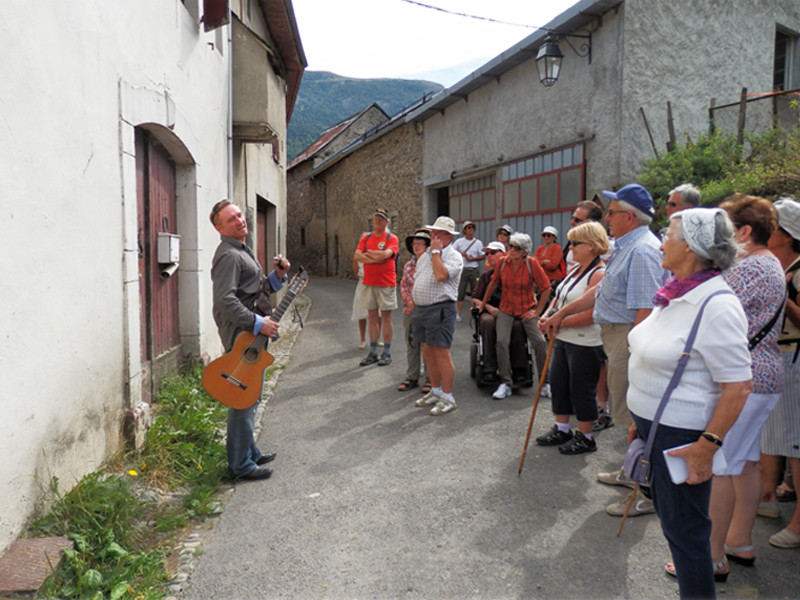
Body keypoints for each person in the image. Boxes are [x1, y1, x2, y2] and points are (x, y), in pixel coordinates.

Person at [628, 208, 752, 598]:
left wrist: (706, 446)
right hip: (655, 426)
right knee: (675, 525)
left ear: (691, 247)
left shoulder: (716, 303)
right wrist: (640, 417)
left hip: (683, 434)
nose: (662, 241)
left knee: (687, 533)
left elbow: (739, 386)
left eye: (670, 235)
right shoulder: (677, 292)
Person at [544, 183, 666, 517]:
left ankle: (648, 489)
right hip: (615, 335)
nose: (606, 218)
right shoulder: (625, 247)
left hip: (628, 337)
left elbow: (645, 308)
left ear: (629, 217)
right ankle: (632, 471)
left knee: (636, 414)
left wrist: (634, 349)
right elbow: (599, 295)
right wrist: (560, 313)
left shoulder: (642, 250)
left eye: (611, 213)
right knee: (628, 412)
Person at [703, 195, 785, 570]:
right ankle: (738, 541)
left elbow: (710, 312)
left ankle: (712, 554)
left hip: (744, 378)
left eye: (725, 227)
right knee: (744, 463)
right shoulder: (768, 264)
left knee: (719, 463)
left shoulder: (749, 268)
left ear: (745, 232)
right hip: (764, 374)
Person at [209, 199, 290, 481]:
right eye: (231, 219)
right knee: (243, 397)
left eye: (240, 215)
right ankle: (240, 465)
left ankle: (249, 451)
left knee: (252, 395)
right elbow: (224, 300)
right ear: (219, 227)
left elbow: (256, 291)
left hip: (252, 333)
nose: (240, 221)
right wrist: (258, 322)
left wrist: (278, 275)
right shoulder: (229, 255)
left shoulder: (241, 249)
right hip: (241, 334)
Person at [536, 222, 608, 454]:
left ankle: (586, 436)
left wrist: (557, 322)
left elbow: (592, 313)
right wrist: (547, 316)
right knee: (559, 383)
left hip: (585, 341)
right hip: (563, 338)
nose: (571, 248)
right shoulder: (576, 270)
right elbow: (559, 299)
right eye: (571, 243)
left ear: (592, 245)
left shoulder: (599, 273)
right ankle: (562, 427)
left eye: (576, 243)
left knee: (582, 388)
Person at [760, 197, 800, 549]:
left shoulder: (798, 271)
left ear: (786, 235)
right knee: (773, 436)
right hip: (778, 356)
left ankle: (799, 524)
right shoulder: (778, 266)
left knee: (795, 443)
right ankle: (767, 495)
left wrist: (782, 296)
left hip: (794, 358)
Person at [478, 232, 552, 400]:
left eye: (516, 248)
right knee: (501, 342)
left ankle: (545, 382)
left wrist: (537, 312)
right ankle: (506, 382)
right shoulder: (503, 263)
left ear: (524, 251)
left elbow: (546, 287)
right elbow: (494, 282)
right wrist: (483, 304)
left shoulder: (531, 264)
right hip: (506, 309)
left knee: (540, 342)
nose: (511, 250)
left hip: (527, 308)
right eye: (510, 246)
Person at [412, 216, 463, 416]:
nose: (433, 236)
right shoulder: (425, 255)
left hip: (441, 307)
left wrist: (435, 252)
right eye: (433, 232)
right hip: (423, 309)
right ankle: (435, 389)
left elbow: (441, 275)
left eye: (438, 233)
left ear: (448, 236)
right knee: (427, 350)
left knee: (441, 352)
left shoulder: (453, 256)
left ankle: (448, 396)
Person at [354, 208, 399, 367]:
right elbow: (357, 256)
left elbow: (386, 255)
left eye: (381, 219)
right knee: (372, 317)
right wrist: (376, 258)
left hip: (386, 283)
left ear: (387, 222)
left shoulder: (391, 238)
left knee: (386, 318)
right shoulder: (366, 238)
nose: (378, 221)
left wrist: (368, 256)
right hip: (369, 282)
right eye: (376, 218)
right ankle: (373, 352)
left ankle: (386, 352)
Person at [397, 228, 431, 393]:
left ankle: (431, 379)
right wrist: (408, 301)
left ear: (427, 246)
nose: (417, 246)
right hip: (410, 310)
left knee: (428, 345)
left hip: (426, 309)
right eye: (415, 243)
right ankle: (412, 377)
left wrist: (421, 303)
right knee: (412, 344)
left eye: (420, 243)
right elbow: (403, 285)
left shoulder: (431, 264)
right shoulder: (408, 265)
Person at [470, 241, 506, 381]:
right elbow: (474, 299)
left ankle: (519, 367)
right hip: (489, 310)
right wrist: (489, 308)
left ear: (502, 254)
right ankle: (489, 367)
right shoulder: (486, 276)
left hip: (508, 311)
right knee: (487, 321)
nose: (489, 256)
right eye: (487, 254)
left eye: (492, 253)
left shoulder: (511, 273)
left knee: (517, 326)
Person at [452, 221, 484, 321]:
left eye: (472, 228)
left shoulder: (478, 243)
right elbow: (452, 252)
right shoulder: (459, 242)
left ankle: (476, 312)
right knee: (460, 291)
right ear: (464, 230)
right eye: (469, 228)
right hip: (462, 269)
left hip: (474, 269)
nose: (471, 230)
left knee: (476, 291)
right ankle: (458, 313)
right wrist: (461, 254)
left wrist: (472, 259)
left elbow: (482, 256)